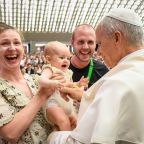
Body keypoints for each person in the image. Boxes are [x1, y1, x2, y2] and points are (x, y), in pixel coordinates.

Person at [48, 8, 144, 144]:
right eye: (81, 42)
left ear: (117, 38)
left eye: (99, 44)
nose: (98, 53)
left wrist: (53, 136)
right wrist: (84, 97)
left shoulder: (117, 82)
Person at [0, 23, 65, 143]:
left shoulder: (36, 79)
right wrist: (41, 95)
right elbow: (10, 133)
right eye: (4, 43)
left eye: (17, 43)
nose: (12, 48)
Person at [39, 41, 87, 131]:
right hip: (53, 104)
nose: (66, 60)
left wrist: (78, 84)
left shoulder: (68, 72)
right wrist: (51, 83)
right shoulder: (50, 69)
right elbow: (41, 80)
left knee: (76, 121)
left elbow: (69, 85)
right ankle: (65, 140)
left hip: (67, 105)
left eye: (68, 58)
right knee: (63, 121)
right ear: (49, 60)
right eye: (61, 57)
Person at [69, 24, 109, 88]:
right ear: (72, 42)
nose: (85, 47)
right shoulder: (59, 67)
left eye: (90, 42)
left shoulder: (102, 71)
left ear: (95, 44)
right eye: (81, 41)